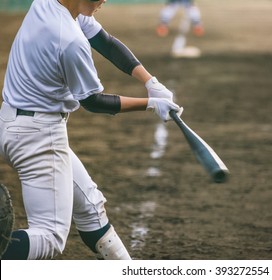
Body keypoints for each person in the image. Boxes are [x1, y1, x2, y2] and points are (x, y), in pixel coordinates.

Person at [0, 0, 183, 260]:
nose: (103, 0)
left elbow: (104, 41)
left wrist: (150, 82)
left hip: (14, 124)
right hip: (38, 137)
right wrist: (151, 104)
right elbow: (93, 101)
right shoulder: (70, 39)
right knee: (49, 237)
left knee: (90, 207)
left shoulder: (52, 3)